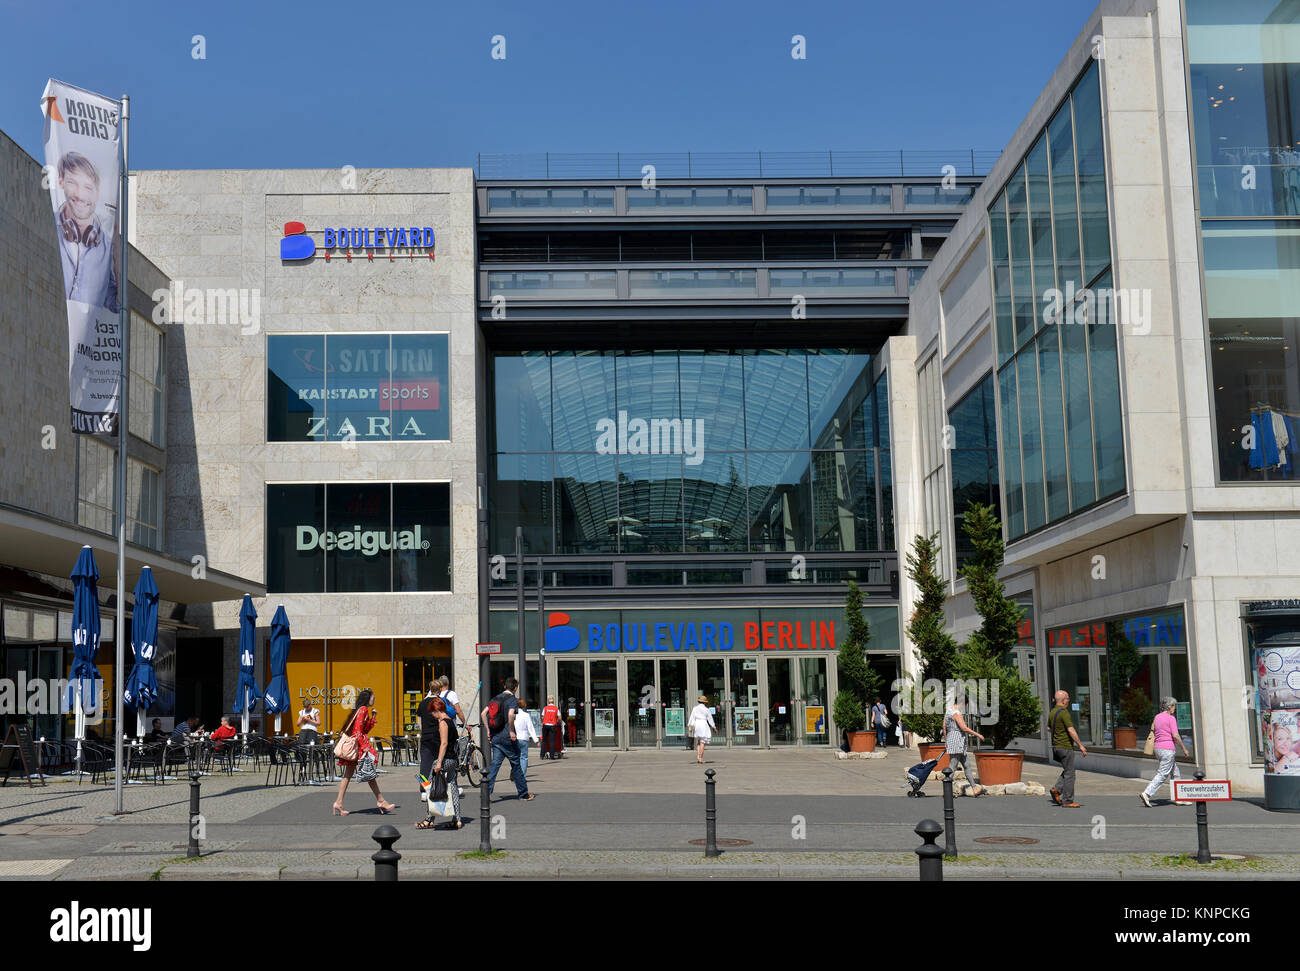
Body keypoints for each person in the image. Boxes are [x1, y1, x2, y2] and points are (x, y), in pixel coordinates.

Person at [56, 151, 119, 311]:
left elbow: (117, 307)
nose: (80, 194)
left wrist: (118, 251)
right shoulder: (47, 225)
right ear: (61, 182)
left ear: (97, 194)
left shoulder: (106, 246)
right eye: (72, 182)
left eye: (88, 187)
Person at [332, 689, 395, 816]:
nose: (374, 699)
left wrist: (373, 718)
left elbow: (364, 729)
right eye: (373, 697)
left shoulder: (361, 710)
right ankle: (381, 801)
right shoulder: (363, 709)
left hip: (357, 746)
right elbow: (358, 731)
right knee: (369, 773)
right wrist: (364, 746)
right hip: (359, 747)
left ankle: (338, 803)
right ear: (368, 698)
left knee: (349, 775)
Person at [480, 677, 534, 801]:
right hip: (507, 738)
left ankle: (486, 793)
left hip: (495, 737)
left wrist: (488, 729)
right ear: (515, 688)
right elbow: (511, 714)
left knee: (494, 766)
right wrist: (511, 731)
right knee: (516, 764)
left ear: (505, 687)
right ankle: (523, 793)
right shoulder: (512, 700)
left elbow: (483, 713)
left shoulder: (495, 698)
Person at [416, 697, 463, 830]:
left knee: (430, 787)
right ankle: (457, 819)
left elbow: (444, 743)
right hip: (453, 760)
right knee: (453, 788)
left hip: (443, 759)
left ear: (437, 710)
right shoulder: (451, 722)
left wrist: (439, 763)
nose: (432, 715)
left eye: (433, 712)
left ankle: (428, 819)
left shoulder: (443, 723)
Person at [1141, 696, 1192, 807]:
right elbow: (1176, 736)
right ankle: (1147, 793)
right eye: (1174, 706)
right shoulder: (1171, 718)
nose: (1174, 709)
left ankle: (1179, 799)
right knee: (1163, 774)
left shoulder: (1157, 717)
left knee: (1175, 773)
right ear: (1170, 706)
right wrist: (1184, 748)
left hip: (1158, 749)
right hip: (1167, 749)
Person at [1048, 689, 1088, 808]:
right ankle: (1068, 800)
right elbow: (1071, 730)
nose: (1068, 701)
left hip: (1056, 746)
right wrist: (1080, 745)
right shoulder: (1064, 712)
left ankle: (1056, 789)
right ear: (1064, 701)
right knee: (1070, 774)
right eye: (1068, 699)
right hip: (1065, 746)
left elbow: (1049, 729)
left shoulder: (1052, 712)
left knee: (1067, 769)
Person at [944, 687, 984, 790]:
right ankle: (947, 790)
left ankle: (974, 787)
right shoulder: (956, 713)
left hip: (953, 741)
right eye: (965, 705)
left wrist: (946, 740)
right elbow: (964, 728)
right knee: (952, 766)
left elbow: (944, 726)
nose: (965, 707)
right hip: (957, 742)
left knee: (967, 765)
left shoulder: (948, 711)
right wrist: (978, 735)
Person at [514, 698, 540, 781]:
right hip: (524, 738)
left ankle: (514, 774)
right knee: (523, 758)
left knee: (514, 757)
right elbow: (531, 728)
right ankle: (522, 776)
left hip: (515, 738)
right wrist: (536, 740)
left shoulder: (513, 715)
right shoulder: (526, 715)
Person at [688, 695, 716, 765]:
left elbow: (692, 718)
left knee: (698, 741)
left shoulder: (695, 708)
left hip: (697, 724)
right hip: (703, 724)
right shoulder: (706, 710)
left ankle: (698, 756)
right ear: (705, 702)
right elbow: (710, 719)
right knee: (702, 742)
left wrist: (691, 727)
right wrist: (714, 727)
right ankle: (700, 758)